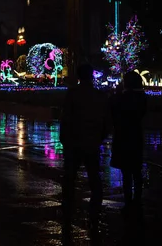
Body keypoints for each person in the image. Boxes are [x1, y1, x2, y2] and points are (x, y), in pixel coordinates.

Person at [60, 63, 110, 235]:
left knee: (70, 178)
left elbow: (65, 119)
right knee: (94, 178)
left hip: (74, 143)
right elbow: (106, 121)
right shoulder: (99, 96)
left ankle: (67, 211)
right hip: (91, 143)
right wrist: (99, 137)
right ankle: (94, 212)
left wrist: (64, 139)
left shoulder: (72, 95)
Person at [110, 71, 147, 216]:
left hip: (123, 135)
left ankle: (128, 201)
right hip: (136, 135)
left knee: (126, 172)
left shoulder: (121, 98)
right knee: (136, 171)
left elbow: (113, 111)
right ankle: (137, 200)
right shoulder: (141, 98)